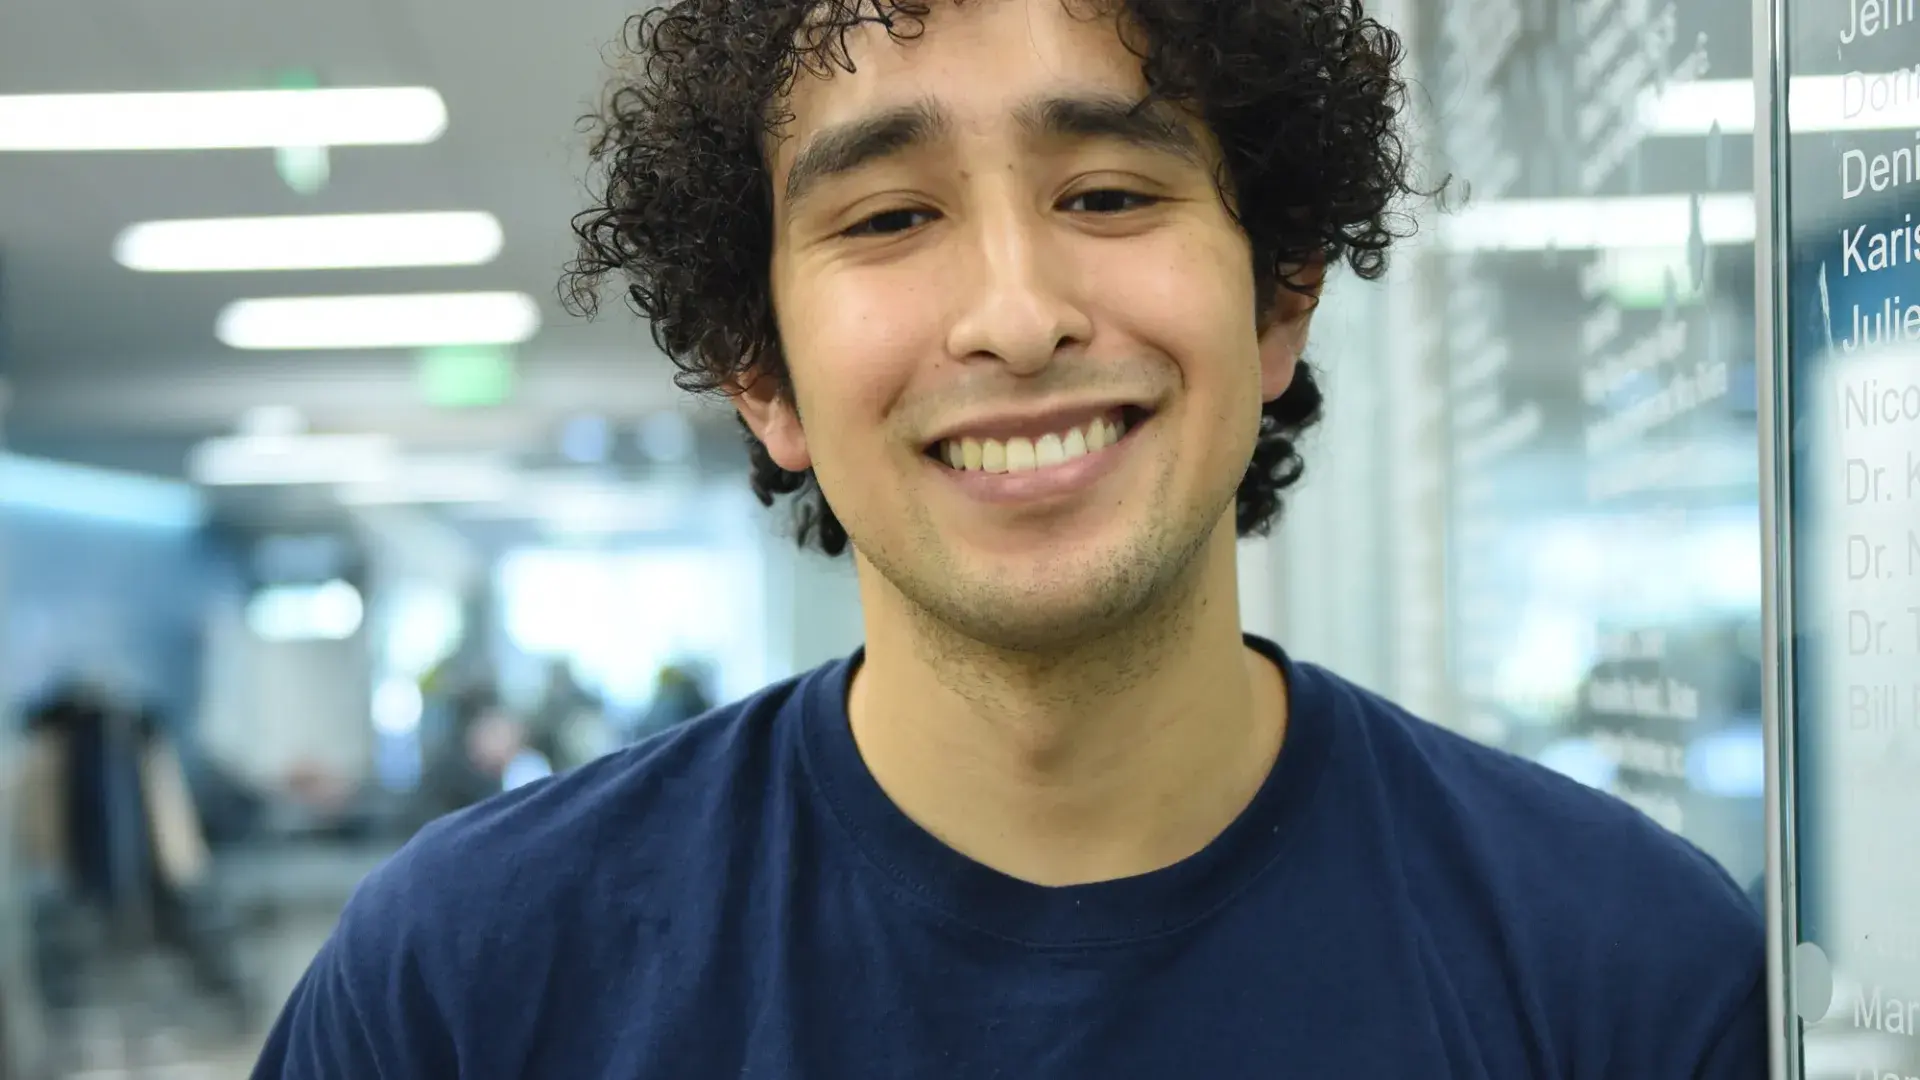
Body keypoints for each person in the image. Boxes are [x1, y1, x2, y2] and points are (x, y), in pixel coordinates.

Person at [253, 1, 1766, 1075]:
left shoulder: (1626, 970)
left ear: (1281, 295)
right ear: (762, 371)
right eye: (888, 219)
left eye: (1108, 192)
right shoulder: (467, 982)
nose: (1017, 316)